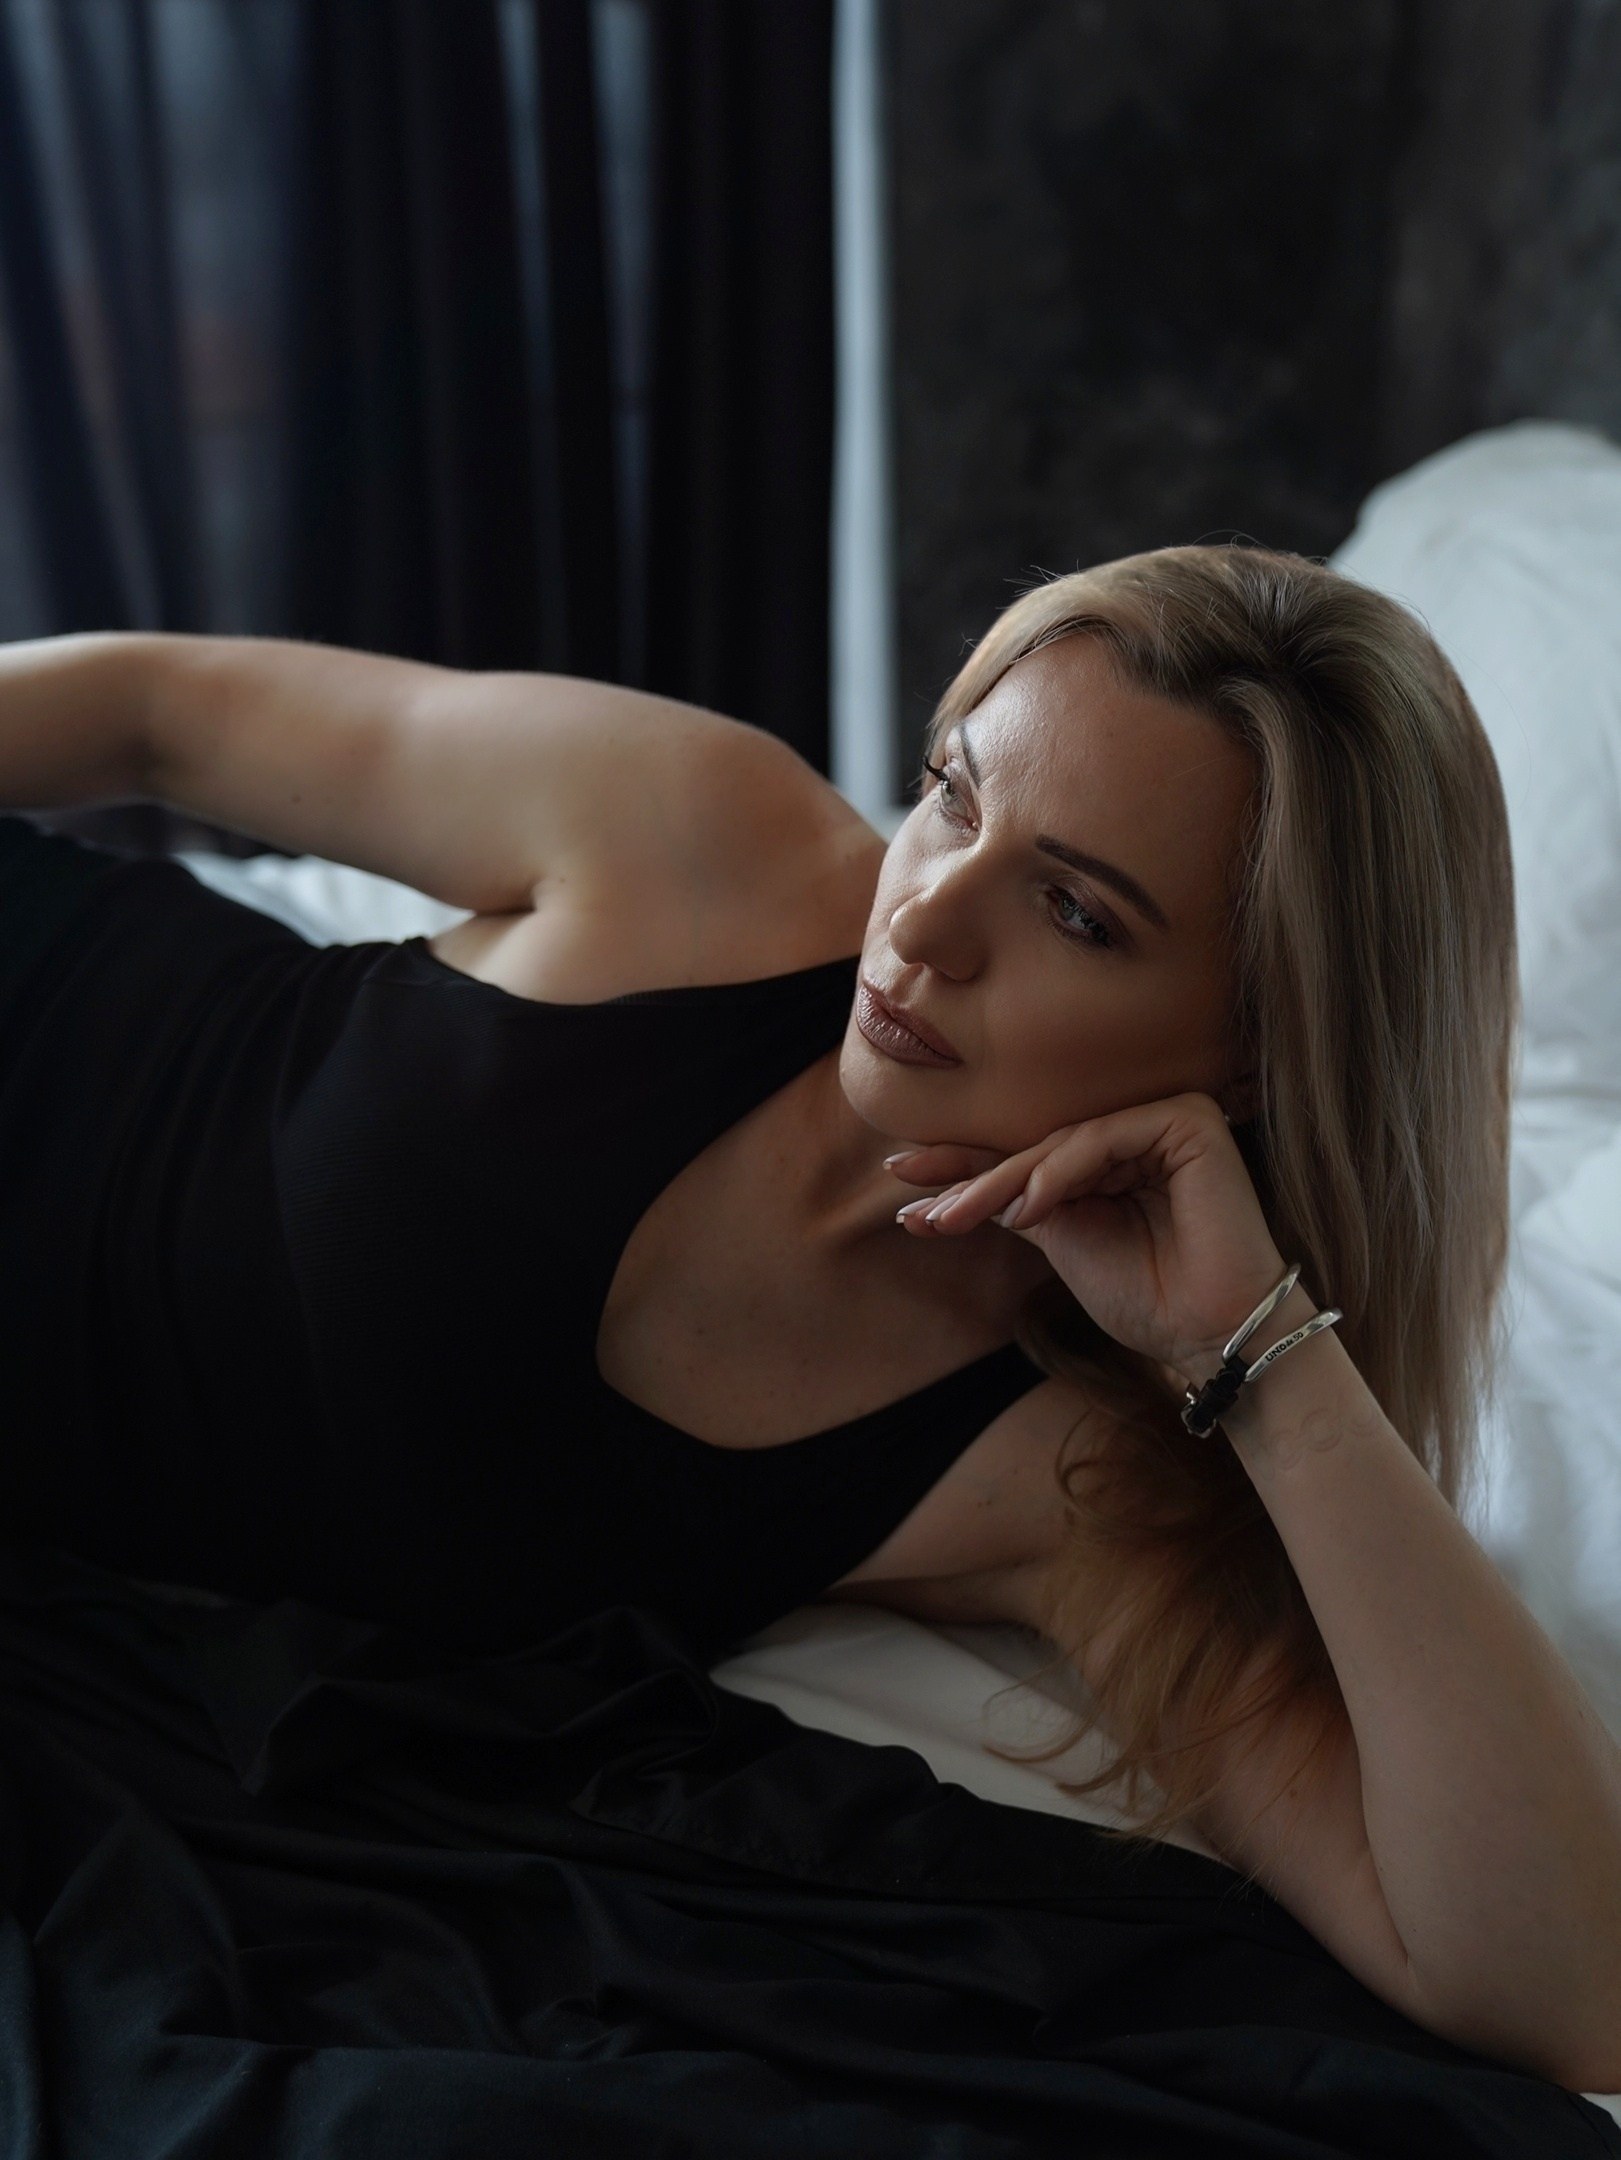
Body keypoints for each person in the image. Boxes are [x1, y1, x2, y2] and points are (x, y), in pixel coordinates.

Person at [2, 542, 1619, 2094]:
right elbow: (158, 713)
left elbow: (1561, 1988)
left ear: (1262, 1057)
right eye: (951, 795)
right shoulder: (715, 843)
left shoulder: (1062, 1477)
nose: (920, 921)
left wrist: (1263, 1356)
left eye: (1074, 912)